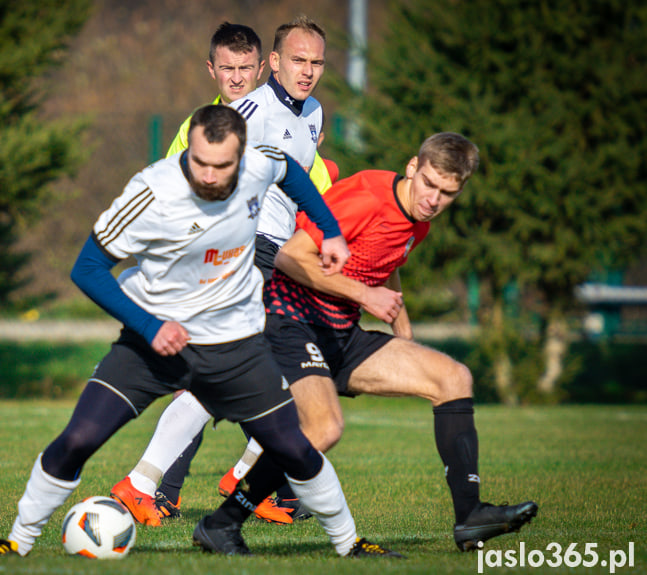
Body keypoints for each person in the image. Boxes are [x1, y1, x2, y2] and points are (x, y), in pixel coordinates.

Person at [0, 105, 398, 559]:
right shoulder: (152, 192)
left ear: (242, 156)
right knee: (78, 439)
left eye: (222, 166)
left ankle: (350, 544)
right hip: (152, 343)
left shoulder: (259, 163)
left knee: (295, 448)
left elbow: (292, 171)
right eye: (200, 163)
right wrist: (149, 325)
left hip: (233, 347)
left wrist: (330, 231)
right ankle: (16, 542)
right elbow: (88, 268)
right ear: (189, 149)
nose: (210, 175)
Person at [208, 131, 539, 553]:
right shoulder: (367, 196)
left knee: (453, 378)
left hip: (340, 331)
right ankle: (223, 523)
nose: (434, 200)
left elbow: (386, 261)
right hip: (289, 321)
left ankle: (471, 516)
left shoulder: (419, 221)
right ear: (412, 168)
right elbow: (291, 257)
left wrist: (404, 335)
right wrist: (366, 296)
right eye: (429, 184)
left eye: (447, 193)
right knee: (323, 428)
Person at [112, 17, 331, 526]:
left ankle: (227, 476)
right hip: (243, 250)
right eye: (298, 60)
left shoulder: (313, 114)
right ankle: (151, 484)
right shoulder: (242, 113)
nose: (308, 71)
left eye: (316, 62)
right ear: (274, 64)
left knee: (272, 375)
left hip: (279, 253)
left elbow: (301, 181)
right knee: (233, 374)